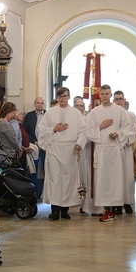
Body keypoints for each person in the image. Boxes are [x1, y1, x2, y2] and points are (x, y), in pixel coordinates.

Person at [37, 86, 87, 220]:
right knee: (55, 180)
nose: (62, 99)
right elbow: (41, 129)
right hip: (55, 149)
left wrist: (78, 144)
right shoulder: (50, 112)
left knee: (68, 180)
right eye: (59, 97)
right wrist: (54, 128)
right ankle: (55, 210)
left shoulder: (76, 113)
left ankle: (65, 210)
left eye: (64, 96)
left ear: (69, 97)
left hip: (70, 150)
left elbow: (83, 130)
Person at [84, 84, 131, 222]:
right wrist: (101, 126)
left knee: (114, 180)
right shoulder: (94, 112)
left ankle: (113, 209)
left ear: (111, 95)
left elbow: (126, 127)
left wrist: (117, 133)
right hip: (102, 149)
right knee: (103, 181)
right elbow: (88, 131)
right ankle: (106, 209)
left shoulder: (119, 111)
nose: (104, 96)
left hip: (115, 150)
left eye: (107, 94)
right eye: (102, 94)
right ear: (99, 95)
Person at [113, 90, 136, 214]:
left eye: (121, 99)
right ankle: (116, 204)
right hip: (113, 150)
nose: (119, 101)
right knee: (115, 177)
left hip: (126, 149)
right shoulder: (111, 115)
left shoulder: (131, 116)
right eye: (116, 99)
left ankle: (127, 202)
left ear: (124, 100)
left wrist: (122, 137)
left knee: (127, 177)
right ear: (113, 101)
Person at [23, 96, 46, 198]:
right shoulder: (29, 115)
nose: (39, 105)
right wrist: (34, 141)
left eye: (41, 103)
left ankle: (44, 193)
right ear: (34, 104)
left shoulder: (47, 114)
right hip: (34, 145)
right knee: (35, 170)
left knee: (46, 170)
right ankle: (36, 192)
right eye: (38, 103)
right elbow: (26, 130)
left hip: (46, 146)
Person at [0, 101, 20, 167]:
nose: (13, 115)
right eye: (13, 113)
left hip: (4, 151)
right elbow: (12, 139)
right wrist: (19, 150)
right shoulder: (4, 123)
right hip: (7, 153)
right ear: (8, 112)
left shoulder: (0, 121)